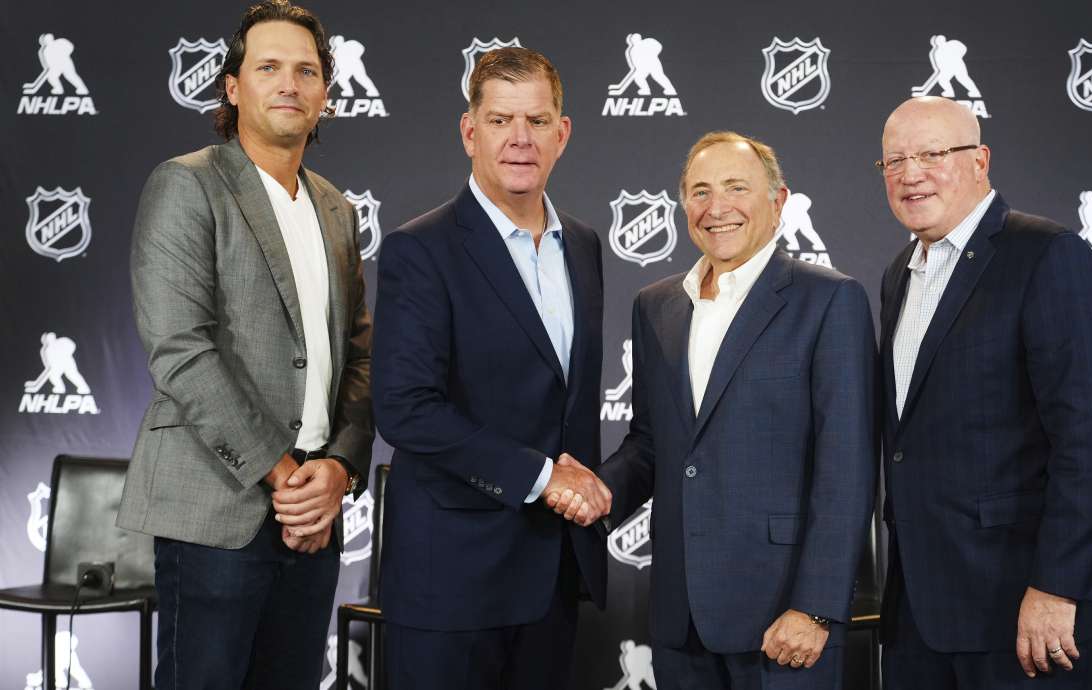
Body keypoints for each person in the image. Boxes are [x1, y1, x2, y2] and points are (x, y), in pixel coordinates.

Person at [118, 2, 372, 687]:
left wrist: (339, 472)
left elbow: (358, 355)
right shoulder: (188, 183)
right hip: (216, 512)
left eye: (306, 70)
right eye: (269, 67)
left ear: (324, 94)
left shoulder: (337, 209)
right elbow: (181, 351)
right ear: (233, 87)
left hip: (313, 517)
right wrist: (286, 477)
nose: (289, 83)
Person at [594, 131, 876, 690]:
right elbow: (653, 444)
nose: (716, 208)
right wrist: (596, 494)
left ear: (778, 201)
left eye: (736, 188)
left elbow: (847, 468)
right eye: (699, 191)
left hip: (784, 618)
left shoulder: (829, 300)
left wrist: (815, 607)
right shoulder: (656, 306)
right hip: (682, 615)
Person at [372, 46, 610, 689]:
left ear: (562, 134)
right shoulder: (420, 249)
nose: (520, 139)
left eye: (536, 121)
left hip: (554, 576)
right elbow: (405, 408)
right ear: (469, 131)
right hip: (451, 581)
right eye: (502, 120)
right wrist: (541, 475)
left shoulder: (584, 246)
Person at [875, 96, 1092, 689]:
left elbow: (1090, 437)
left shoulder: (1046, 254)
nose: (910, 174)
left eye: (932, 154)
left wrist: (1057, 585)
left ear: (980, 160)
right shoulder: (898, 274)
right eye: (894, 161)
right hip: (920, 611)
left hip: (1026, 610)